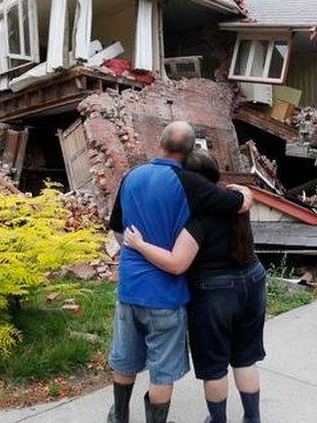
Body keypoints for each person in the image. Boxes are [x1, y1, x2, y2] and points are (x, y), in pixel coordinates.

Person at [107, 122, 253, 423]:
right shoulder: (188, 182)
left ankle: (119, 416)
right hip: (165, 294)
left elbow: (118, 231)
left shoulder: (131, 176)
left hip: (130, 287)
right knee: (161, 370)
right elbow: (238, 204)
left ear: (159, 143)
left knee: (125, 358)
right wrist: (246, 192)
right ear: (189, 151)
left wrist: (136, 252)